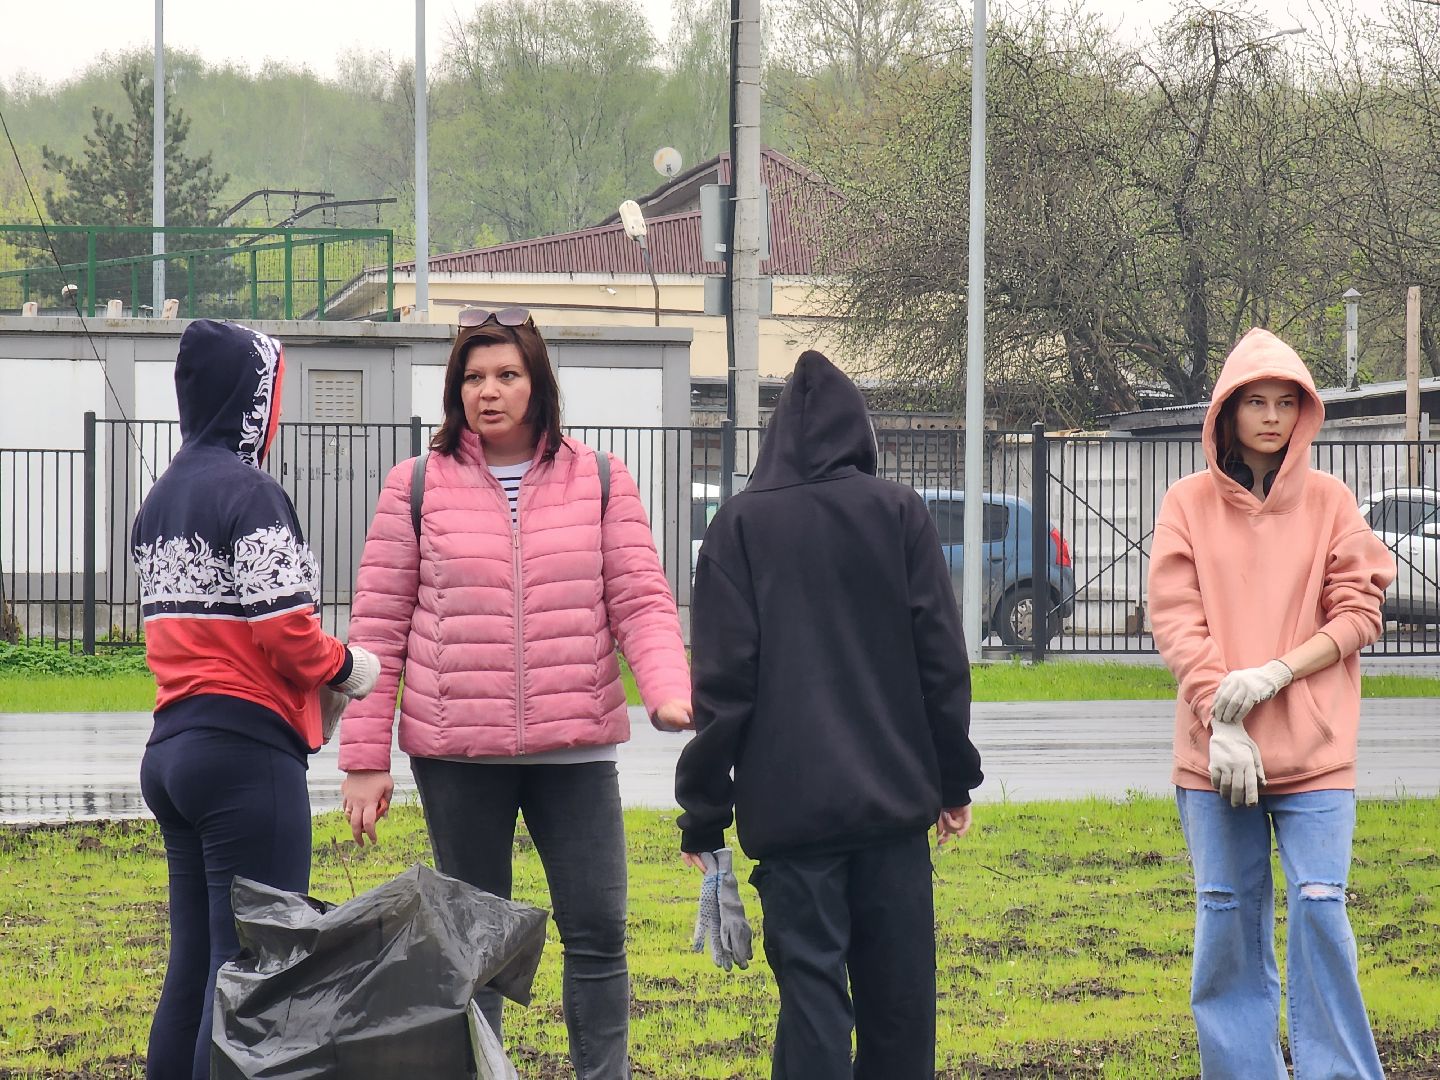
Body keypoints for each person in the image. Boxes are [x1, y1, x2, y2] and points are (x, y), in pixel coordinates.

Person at [338, 306, 692, 1080]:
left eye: (506, 375)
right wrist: (365, 757)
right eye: (472, 377)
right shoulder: (417, 485)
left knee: (597, 931)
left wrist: (667, 690)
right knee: (472, 941)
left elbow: (640, 599)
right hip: (457, 754)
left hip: (577, 749)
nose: (488, 392)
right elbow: (379, 627)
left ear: (538, 385)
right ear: (453, 390)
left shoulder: (600, 479)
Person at [675, 350, 983, 1080]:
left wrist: (704, 812)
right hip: (893, 807)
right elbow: (940, 659)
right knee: (900, 1004)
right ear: (860, 433)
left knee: (811, 1000)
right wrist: (952, 781)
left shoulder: (739, 528)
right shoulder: (899, 512)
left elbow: (722, 687)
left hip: (792, 820)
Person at [130, 319, 379, 1080]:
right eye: (270, 393)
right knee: (255, 968)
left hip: (171, 753)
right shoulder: (252, 492)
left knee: (196, 960)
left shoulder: (158, 499)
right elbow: (282, 627)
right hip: (245, 760)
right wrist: (348, 667)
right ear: (250, 399)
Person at [1148, 327, 1396, 1079]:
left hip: (1315, 751)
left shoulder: (1330, 502)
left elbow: (1358, 613)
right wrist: (1219, 714)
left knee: (1320, 910)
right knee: (1225, 919)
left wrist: (1280, 673)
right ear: (1225, 412)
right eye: (1254, 401)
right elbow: (1176, 617)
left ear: (1304, 413)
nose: (1270, 416)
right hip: (1216, 757)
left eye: (1286, 402)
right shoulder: (1186, 503)